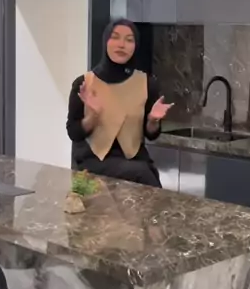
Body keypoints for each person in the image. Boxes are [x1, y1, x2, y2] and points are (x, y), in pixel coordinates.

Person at [66, 19, 173, 187]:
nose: (121, 45)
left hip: (134, 159)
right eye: (115, 37)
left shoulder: (146, 83)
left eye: (129, 40)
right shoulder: (84, 83)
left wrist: (152, 121)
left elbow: (151, 134)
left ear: (135, 46)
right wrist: (92, 117)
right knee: (143, 173)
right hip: (93, 161)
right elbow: (74, 133)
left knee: (146, 171)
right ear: (105, 41)